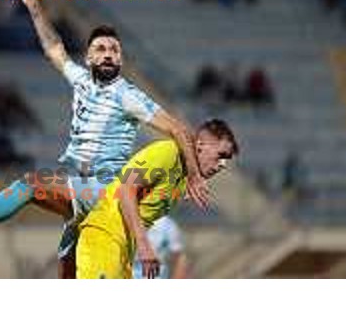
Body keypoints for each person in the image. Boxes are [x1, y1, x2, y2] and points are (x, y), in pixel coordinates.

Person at [0, 0, 209, 278]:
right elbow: (54, 49)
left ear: (121, 60)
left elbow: (178, 129)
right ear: (89, 57)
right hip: (83, 190)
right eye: (101, 48)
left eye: (115, 50)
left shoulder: (127, 94)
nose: (109, 53)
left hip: (106, 188)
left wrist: (195, 175)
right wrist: (33, 6)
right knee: (67, 270)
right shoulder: (81, 80)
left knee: (31, 184)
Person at [75, 119, 238, 279]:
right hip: (104, 238)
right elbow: (125, 189)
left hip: (123, 249)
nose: (223, 164)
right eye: (221, 155)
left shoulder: (182, 177)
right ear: (200, 144)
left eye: (227, 159)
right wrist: (144, 246)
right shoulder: (167, 151)